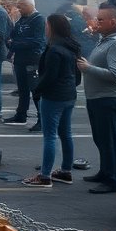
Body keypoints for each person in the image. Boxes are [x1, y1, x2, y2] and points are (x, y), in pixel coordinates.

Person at [77, 7, 116, 194]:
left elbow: (115, 75)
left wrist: (87, 68)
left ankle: (112, 180)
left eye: (101, 20)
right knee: (101, 138)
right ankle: (105, 171)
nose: (96, 22)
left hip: (108, 98)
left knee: (108, 140)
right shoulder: (108, 39)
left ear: (114, 22)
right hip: (98, 97)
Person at [22, 15, 82, 188]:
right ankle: (65, 171)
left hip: (54, 96)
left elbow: (50, 76)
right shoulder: (72, 46)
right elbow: (77, 75)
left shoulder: (55, 49)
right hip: (69, 94)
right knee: (66, 134)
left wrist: (38, 90)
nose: (45, 28)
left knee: (50, 136)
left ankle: (45, 175)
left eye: (47, 25)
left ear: (52, 27)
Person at [5, 0, 46, 128]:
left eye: (21, 6)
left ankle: (41, 119)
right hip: (20, 59)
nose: (18, 8)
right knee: (22, 89)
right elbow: (14, 35)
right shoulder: (22, 19)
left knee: (35, 90)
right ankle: (21, 115)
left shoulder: (38, 19)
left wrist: (16, 43)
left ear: (30, 5)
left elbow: (38, 41)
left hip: (32, 59)